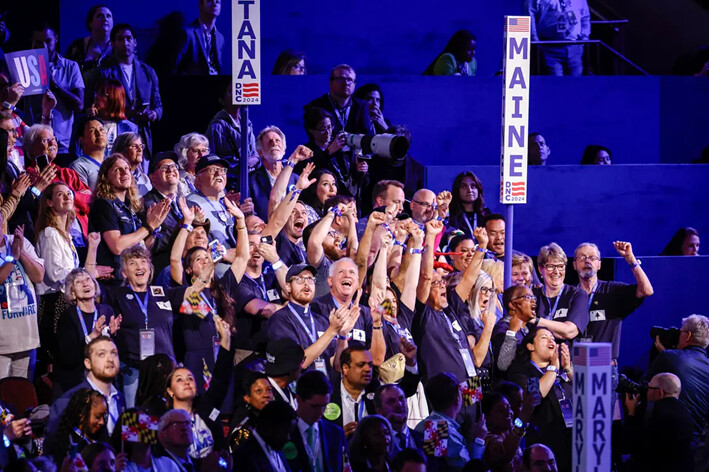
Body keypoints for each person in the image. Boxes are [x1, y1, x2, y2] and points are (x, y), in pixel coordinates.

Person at [165, 314, 232, 459]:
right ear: (170, 391)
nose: (187, 382)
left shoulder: (206, 408)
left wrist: (225, 340)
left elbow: (221, 379)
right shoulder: (162, 420)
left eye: (190, 378)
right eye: (179, 380)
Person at [90, 24, 162, 158]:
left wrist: (153, 114)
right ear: (112, 43)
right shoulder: (104, 72)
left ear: (135, 42)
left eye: (129, 39)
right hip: (114, 133)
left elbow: (158, 106)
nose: (125, 43)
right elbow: (94, 103)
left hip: (141, 135)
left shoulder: (147, 71)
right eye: (120, 39)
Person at [573, 241, 653, 361]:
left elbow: (646, 290)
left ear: (599, 264)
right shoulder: (569, 294)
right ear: (574, 265)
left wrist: (630, 259)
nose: (587, 261)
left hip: (602, 364)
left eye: (592, 258)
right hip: (575, 365)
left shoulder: (612, 291)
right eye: (582, 257)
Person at [88, 154, 169, 272]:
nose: (124, 172)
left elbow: (142, 246)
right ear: (106, 177)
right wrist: (148, 227)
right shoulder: (103, 205)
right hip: (113, 279)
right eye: (117, 170)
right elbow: (117, 246)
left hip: (132, 274)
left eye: (126, 169)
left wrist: (154, 229)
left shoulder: (131, 207)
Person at [507, 328, 573, 470]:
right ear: (530, 346)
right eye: (544, 338)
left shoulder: (561, 371)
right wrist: (553, 368)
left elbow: (585, 393)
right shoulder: (524, 370)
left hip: (570, 441)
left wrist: (568, 368)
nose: (552, 341)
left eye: (553, 339)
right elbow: (535, 396)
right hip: (543, 443)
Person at [266, 263, 349, 376]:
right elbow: (299, 362)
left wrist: (342, 335)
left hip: (324, 389)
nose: (306, 283)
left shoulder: (321, 320)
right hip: (299, 389)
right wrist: (332, 330)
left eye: (310, 279)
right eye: (299, 279)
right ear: (288, 287)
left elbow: (337, 365)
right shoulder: (280, 319)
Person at [646, 314, 709, 452]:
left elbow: (645, 388)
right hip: (696, 449)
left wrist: (663, 355)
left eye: (680, 332)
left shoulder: (669, 357)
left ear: (688, 335)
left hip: (665, 444)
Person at [53, 267, 119, 394]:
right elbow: (67, 356)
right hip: (76, 381)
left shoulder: (106, 310)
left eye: (88, 279)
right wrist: (93, 336)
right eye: (79, 282)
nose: (85, 284)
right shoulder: (68, 316)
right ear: (72, 293)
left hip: (103, 376)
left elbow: (114, 349)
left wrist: (113, 334)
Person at [328, 345, 419, 436]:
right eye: (361, 365)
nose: (368, 369)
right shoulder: (329, 392)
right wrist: (338, 438)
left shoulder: (375, 387)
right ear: (345, 369)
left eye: (370, 365)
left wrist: (411, 363)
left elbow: (406, 389)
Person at [47, 336, 125, 441]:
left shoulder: (120, 398)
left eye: (114, 353)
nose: (110, 359)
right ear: (88, 363)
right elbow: (53, 446)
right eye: (102, 354)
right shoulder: (69, 401)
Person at [23, 125, 93, 240]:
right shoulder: (29, 178)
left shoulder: (67, 173)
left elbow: (91, 201)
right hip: (54, 237)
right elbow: (47, 209)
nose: (52, 143)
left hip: (83, 237)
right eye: (45, 140)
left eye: (53, 139)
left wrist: (73, 195)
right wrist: (78, 198)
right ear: (32, 149)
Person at [29, 24, 85, 160]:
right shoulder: (26, 67)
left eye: (48, 41)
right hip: (34, 145)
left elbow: (79, 105)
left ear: (56, 39)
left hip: (63, 146)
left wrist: (55, 85)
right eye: (38, 42)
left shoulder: (71, 67)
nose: (44, 47)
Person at [622, 372, 694, 472]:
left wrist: (630, 412)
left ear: (660, 393)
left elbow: (626, 446)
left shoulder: (650, 411)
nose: (646, 391)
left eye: (649, 388)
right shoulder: (687, 413)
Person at [0, 219, 44, 380]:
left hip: (27, 336)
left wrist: (21, 252)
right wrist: (12, 258)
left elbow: (38, 276)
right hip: (2, 341)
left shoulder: (19, 241)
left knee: (24, 394)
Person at [415, 373, 487, 470]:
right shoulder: (437, 429)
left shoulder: (426, 425)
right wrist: (479, 439)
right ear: (458, 399)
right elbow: (469, 469)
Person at [286, 370, 348, 472]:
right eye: (314, 406)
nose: (320, 412)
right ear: (298, 399)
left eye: (324, 406)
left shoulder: (336, 433)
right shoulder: (285, 433)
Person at [532, 243, 589, 342]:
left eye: (560, 266)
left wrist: (536, 321)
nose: (556, 272)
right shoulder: (532, 295)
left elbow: (569, 331)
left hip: (567, 356)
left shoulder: (577, 295)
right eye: (550, 266)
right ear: (540, 269)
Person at [248, 127, 305, 221]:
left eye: (278, 141)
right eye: (269, 141)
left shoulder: (296, 179)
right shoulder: (250, 180)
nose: (274, 143)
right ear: (260, 152)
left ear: (284, 150)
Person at [141, 151, 184, 273]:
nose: (171, 170)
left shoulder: (185, 203)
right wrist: (185, 231)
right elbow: (152, 244)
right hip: (164, 269)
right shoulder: (147, 204)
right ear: (152, 177)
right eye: (164, 167)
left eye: (174, 166)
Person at [205, 78, 259, 170]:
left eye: (238, 91)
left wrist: (253, 161)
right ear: (222, 100)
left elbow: (255, 154)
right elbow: (211, 158)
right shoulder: (217, 126)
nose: (237, 95)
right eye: (231, 92)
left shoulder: (247, 124)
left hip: (249, 177)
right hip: (231, 180)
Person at [305, 64, 375, 136]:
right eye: (341, 79)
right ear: (331, 83)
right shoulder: (316, 106)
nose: (346, 83)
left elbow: (367, 135)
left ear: (354, 84)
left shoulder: (361, 105)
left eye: (350, 80)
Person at [525, 0, 590, 76]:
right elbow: (530, 14)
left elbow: (585, 17)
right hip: (550, 47)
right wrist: (535, 40)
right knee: (556, 83)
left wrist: (584, 38)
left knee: (576, 83)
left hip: (575, 47)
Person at [47, 388, 108, 465]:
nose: (102, 422)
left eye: (104, 416)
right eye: (98, 417)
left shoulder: (102, 440)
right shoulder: (68, 445)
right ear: (82, 413)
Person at [231, 401, 297, 471]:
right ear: (272, 425)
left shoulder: (276, 447)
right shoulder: (243, 457)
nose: (288, 438)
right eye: (285, 432)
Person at [83, 78, 139, 155]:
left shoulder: (129, 128)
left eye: (101, 94)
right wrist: (91, 119)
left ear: (114, 98)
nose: (96, 97)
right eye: (96, 93)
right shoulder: (85, 122)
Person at [493, 285, 537, 377]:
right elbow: (503, 365)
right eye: (528, 297)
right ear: (513, 305)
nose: (533, 300)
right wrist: (511, 333)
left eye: (533, 297)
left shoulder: (527, 330)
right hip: (510, 389)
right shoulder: (503, 328)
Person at [374, 384, 425, 460]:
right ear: (379, 411)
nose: (399, 404)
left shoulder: (425, 438)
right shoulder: (374, 445)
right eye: (391, 401)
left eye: (402, 399)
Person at [177, 0, 224, 75]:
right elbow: (175, 68)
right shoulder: (187, 33)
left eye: (217, 2)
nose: (215, 4)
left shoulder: (220, 38)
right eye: (210, 1)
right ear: (200, 5)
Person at [229, 372, 274, 449]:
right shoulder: (244, 428)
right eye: (259, 391)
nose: (266, 395)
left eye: (269, 390)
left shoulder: (275, 417)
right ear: (247, 398)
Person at [482, 392, 525, 472]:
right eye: (500, 410)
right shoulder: (488, 440)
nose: (508, 412)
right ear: (487, 417)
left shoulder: (514, 435)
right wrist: (523, 418)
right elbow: (505, 454)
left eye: (508, 407)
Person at [64, 5, 114, 74]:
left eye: (108, 16)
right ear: (90, 23)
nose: (105, 19)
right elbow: (66, 72)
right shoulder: (78, 46)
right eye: (100, 16)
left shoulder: (120, 46)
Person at [69, 117, 108, 191]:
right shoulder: (78, 167)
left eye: (101, 129)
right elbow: (83, 198)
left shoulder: (112, 162)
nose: (99, 134)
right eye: (92, 131)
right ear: (82, 140)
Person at [448, 171, 489, 239]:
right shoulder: (451, 215)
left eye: (473, 186)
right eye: (464, 186)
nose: (469, 190)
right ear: (457, 190)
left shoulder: (486, 214)